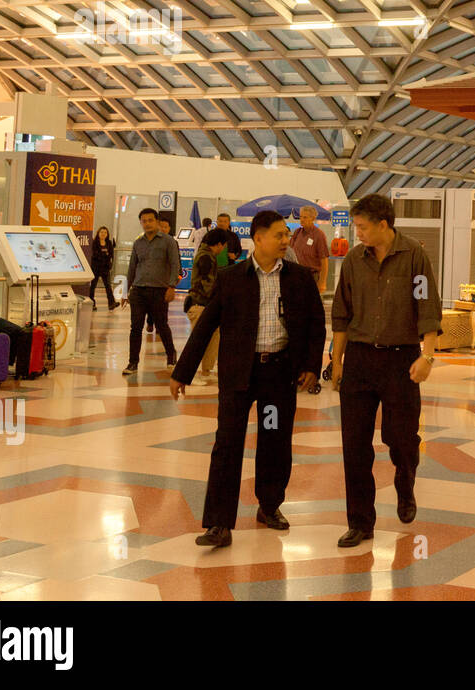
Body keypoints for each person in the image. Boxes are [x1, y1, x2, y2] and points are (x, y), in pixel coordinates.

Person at [170, 209, 324, 549]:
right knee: (227, 444)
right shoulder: (232, 278)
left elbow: (316, 325)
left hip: (277, 375)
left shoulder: (298, 278)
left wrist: (311, 366)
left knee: (274, 440)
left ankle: (269, 507)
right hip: (240, 375)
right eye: (279, 235)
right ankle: (219, 523)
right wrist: (183, 372)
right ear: (258, 239)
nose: (286, 241)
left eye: (287, 235)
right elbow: (206, 326)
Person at [331, 193, 441, 548]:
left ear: (383, 224)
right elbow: (342, 315)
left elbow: (427, 308)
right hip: (360, 361)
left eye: (362, 227)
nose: (357, 233)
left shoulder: (414, 257)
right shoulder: (352, 261)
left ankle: (405, 479)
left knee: (402, 438)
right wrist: (336, 361)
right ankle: (360, 522)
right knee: (354, 445)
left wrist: (427, 357)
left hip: (401, 361)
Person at [121, 207, 180, 376]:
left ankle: (171, 355)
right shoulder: (138, 243)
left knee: (162, 325)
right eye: (144, 221)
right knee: (135, 328)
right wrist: (125, 292)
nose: (147, 224)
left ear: (157, 221)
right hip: (138, 291)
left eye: (150, 220)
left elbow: (175, 264)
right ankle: (133, 363)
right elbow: (132, 267)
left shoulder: (168, 241)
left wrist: (171, 286)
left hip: (159, 291)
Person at [183, 228, 230, 386]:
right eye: (223, 245)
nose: (223, 249)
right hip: (200, 305)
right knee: (198, 341)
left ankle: (206, 371)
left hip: (206, 305)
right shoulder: (206, 257)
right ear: (217, 244)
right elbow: (207, 284)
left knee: (213, 339)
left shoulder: (208, 255)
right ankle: (191, 374)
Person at [289, 205, 330, 294]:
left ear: (312, 218)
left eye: (305, 217)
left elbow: (324, 260)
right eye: (300, 217)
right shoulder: (297, 232)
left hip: (312, 276)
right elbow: (290, 250)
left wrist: (322, 282)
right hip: (296, 275)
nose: (302, 219)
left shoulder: (319, 235)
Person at [88, 227, 118, 311]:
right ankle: (92, 304)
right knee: (93, 286)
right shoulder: (94, 243)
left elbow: (111, 255)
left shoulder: (109, 243)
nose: (103, 234)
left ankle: (112, 303)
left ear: (107, 234)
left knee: (108, 286)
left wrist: (108, 261)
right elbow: (95, 255)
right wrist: (105, 254)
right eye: (101, 232)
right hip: (95, 268)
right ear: (98, 233)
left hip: (105, 268)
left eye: (105, 232)